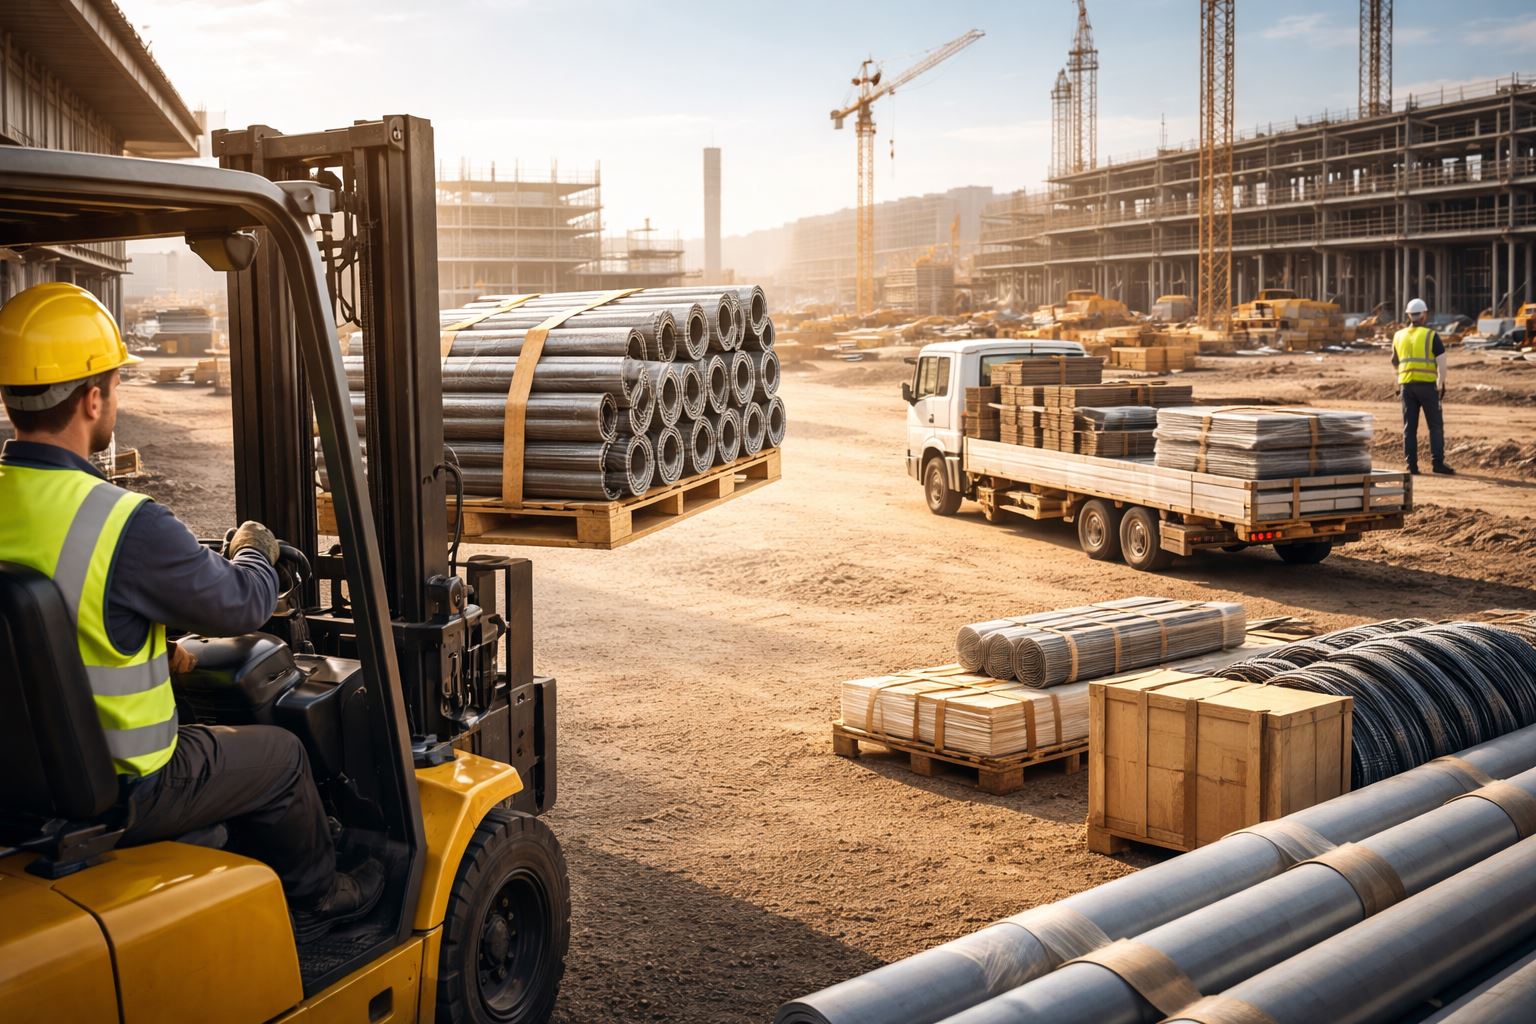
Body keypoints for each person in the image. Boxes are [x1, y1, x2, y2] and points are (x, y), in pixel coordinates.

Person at [0, 282, 381, 939]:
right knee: (282, 759)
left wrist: (152, 643)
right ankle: (325, 897)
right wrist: (254, 549)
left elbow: (57, 621)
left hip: (18, 780)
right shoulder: (122, 522)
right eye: (116, 385)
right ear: (92, 398)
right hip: (127, 786)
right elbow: (242, 603)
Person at [1391, 297, 1454, 476]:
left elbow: (1394, 362)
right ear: (1424, 315)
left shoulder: (1398, 335)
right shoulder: (1431, 335)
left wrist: (1398, 381)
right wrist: (1440, 383)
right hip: (1427, 387)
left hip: (1406, 386)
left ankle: (1411, 466)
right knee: (1435, 426)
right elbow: (1442, 363)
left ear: (1409, 316)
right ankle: (1437, 463)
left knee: (1409, 428)